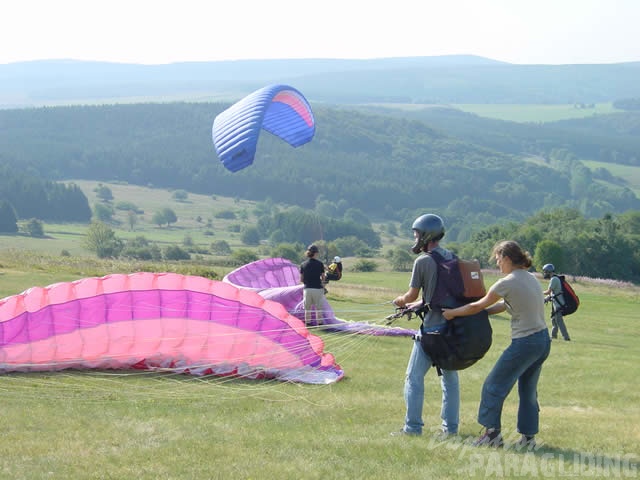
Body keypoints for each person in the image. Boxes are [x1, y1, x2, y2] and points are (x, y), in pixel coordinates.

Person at [442, 240, 551, 448]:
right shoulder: (530, 278)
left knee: (493, 385)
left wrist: (452, 313)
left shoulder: (506, 282)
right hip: (543, 341)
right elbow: (503, 305)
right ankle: (528, 440)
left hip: (525, 342)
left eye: (499, 260)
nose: (498, 265)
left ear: (508, 259)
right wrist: (483, 312)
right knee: (528, 391)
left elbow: (477, 305)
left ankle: (492, 436)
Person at [391, 214, 460, 437]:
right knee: (449, 380)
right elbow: (436, 296)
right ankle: (450, 430)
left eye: (417, 234)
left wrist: (400, 302)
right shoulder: (452, 258)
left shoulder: (423, 261)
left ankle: (412, 428)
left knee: (413, 378)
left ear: (426, 235)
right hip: (451, 329)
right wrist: (416, 305)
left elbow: (411, 295)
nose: (415, 238)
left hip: (431, 331)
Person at [542, 263, 571, 341]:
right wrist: (545, 299)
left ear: (549, 271)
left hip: (558, 305)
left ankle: (566, 337)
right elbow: (552, 294)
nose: (544, 273)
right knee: (554, 320)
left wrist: (538, 292)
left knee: (559, 321)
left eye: (545, 271)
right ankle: (553, 336)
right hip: (556, 304)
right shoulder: (555, 279)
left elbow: (548, 292)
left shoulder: (554, 279)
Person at [299, 244, 326, 326]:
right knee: (319, 308)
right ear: (316, 253)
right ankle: (320, 324)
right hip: (318, 288)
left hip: (307, 289)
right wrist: (323, 285)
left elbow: (301, 279)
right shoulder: (320, 264)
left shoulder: (303, 264)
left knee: (307, 309)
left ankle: (308, 324)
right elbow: (323, 277)